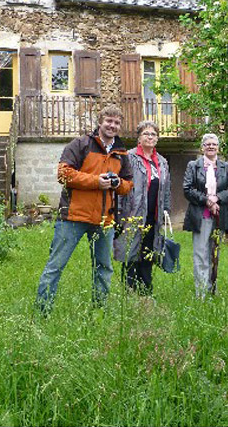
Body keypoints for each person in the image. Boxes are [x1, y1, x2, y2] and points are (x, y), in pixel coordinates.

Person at [36, 104, 133, 313]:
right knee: (56, 265)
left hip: (104, 220)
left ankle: (99, 312)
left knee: (104, 269)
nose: (112, 125)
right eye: (109, 121)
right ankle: (42, 312)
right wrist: (95, 181)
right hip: (73, 217)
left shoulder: (122, 153)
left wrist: (117, 184)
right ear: (100, 122)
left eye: (117, 122)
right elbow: (63, 174)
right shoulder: (80, 145)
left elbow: (128, 185)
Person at [114, 120, 171, 295]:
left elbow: (166, 188)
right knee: (131, 251)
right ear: (139, 138)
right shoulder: (128, 157)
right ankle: (130, 290)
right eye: (146, 133)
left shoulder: (162, 161)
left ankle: (146, 291)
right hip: (132, 213)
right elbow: (120, 186)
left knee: (148, 252)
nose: (150, 137)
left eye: (154, 134)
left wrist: (165, 211)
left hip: (153, 215)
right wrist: (119, 213)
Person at [183, 133, 228, 297]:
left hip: (219, 217)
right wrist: (207, 201)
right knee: (201, 253)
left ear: (218, 147)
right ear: (202, 147)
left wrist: (217, 199)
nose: (211, 146)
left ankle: (212, 289)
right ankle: (201, 292)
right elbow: (187, 188)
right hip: (201, 216)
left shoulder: (225, 167)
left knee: (214, 253)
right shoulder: (194, 165)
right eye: (208, 144)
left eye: (214, 144)